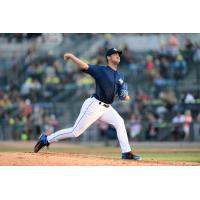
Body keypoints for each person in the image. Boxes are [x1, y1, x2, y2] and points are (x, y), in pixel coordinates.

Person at [34, 48, 141, 160]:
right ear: (108, 57)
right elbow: (85, 66)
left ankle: (126, 152)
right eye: (115, 54)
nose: (118, 55)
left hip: (107, 107)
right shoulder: (101, 70)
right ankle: (46, 139)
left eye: (119, 54)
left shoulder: (120, 75)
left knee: (120, 122)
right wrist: (71, 56)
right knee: (75, 132)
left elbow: (122, 96)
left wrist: (126, 96)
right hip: (94, 105)